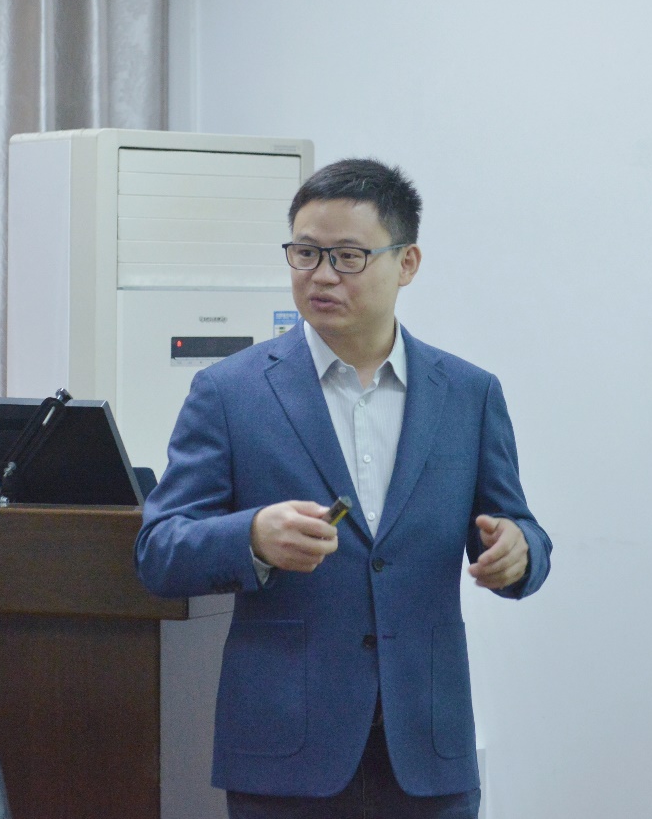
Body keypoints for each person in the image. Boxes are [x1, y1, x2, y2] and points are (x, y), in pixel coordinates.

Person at [135, 158, 551, 819]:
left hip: (427, 753)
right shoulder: (230, 392)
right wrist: (252, 538)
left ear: (407, 263)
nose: (322, 275)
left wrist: (520, 552)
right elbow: (159, 550)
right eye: (305, 253)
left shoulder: (467, 394)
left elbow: (518, 528)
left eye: (348, 257)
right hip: (286, 754)